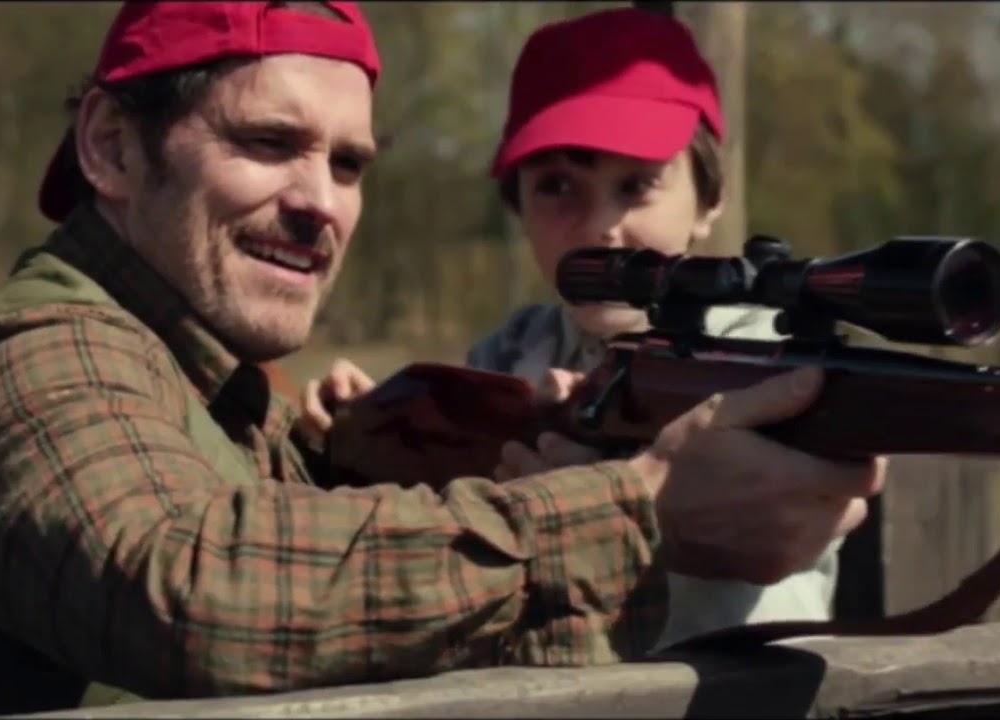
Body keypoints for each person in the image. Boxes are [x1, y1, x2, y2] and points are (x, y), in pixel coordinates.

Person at [0, 1, 883, 715]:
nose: (322, 204)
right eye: (269, 143)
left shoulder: (216, 383)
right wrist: (638, 506)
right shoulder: (31, 352)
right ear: (111, 147)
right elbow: (194, 595)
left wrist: (370, 456)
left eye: (348, 165)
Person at [300, 7, 845, 650]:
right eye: (558, 186)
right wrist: (382, 430)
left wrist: (597, 495)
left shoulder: (761, 357)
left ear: (709, 199)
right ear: (517, 206)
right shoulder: (510, 353)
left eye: (636, 185)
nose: (599, 227)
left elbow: (787, 519)